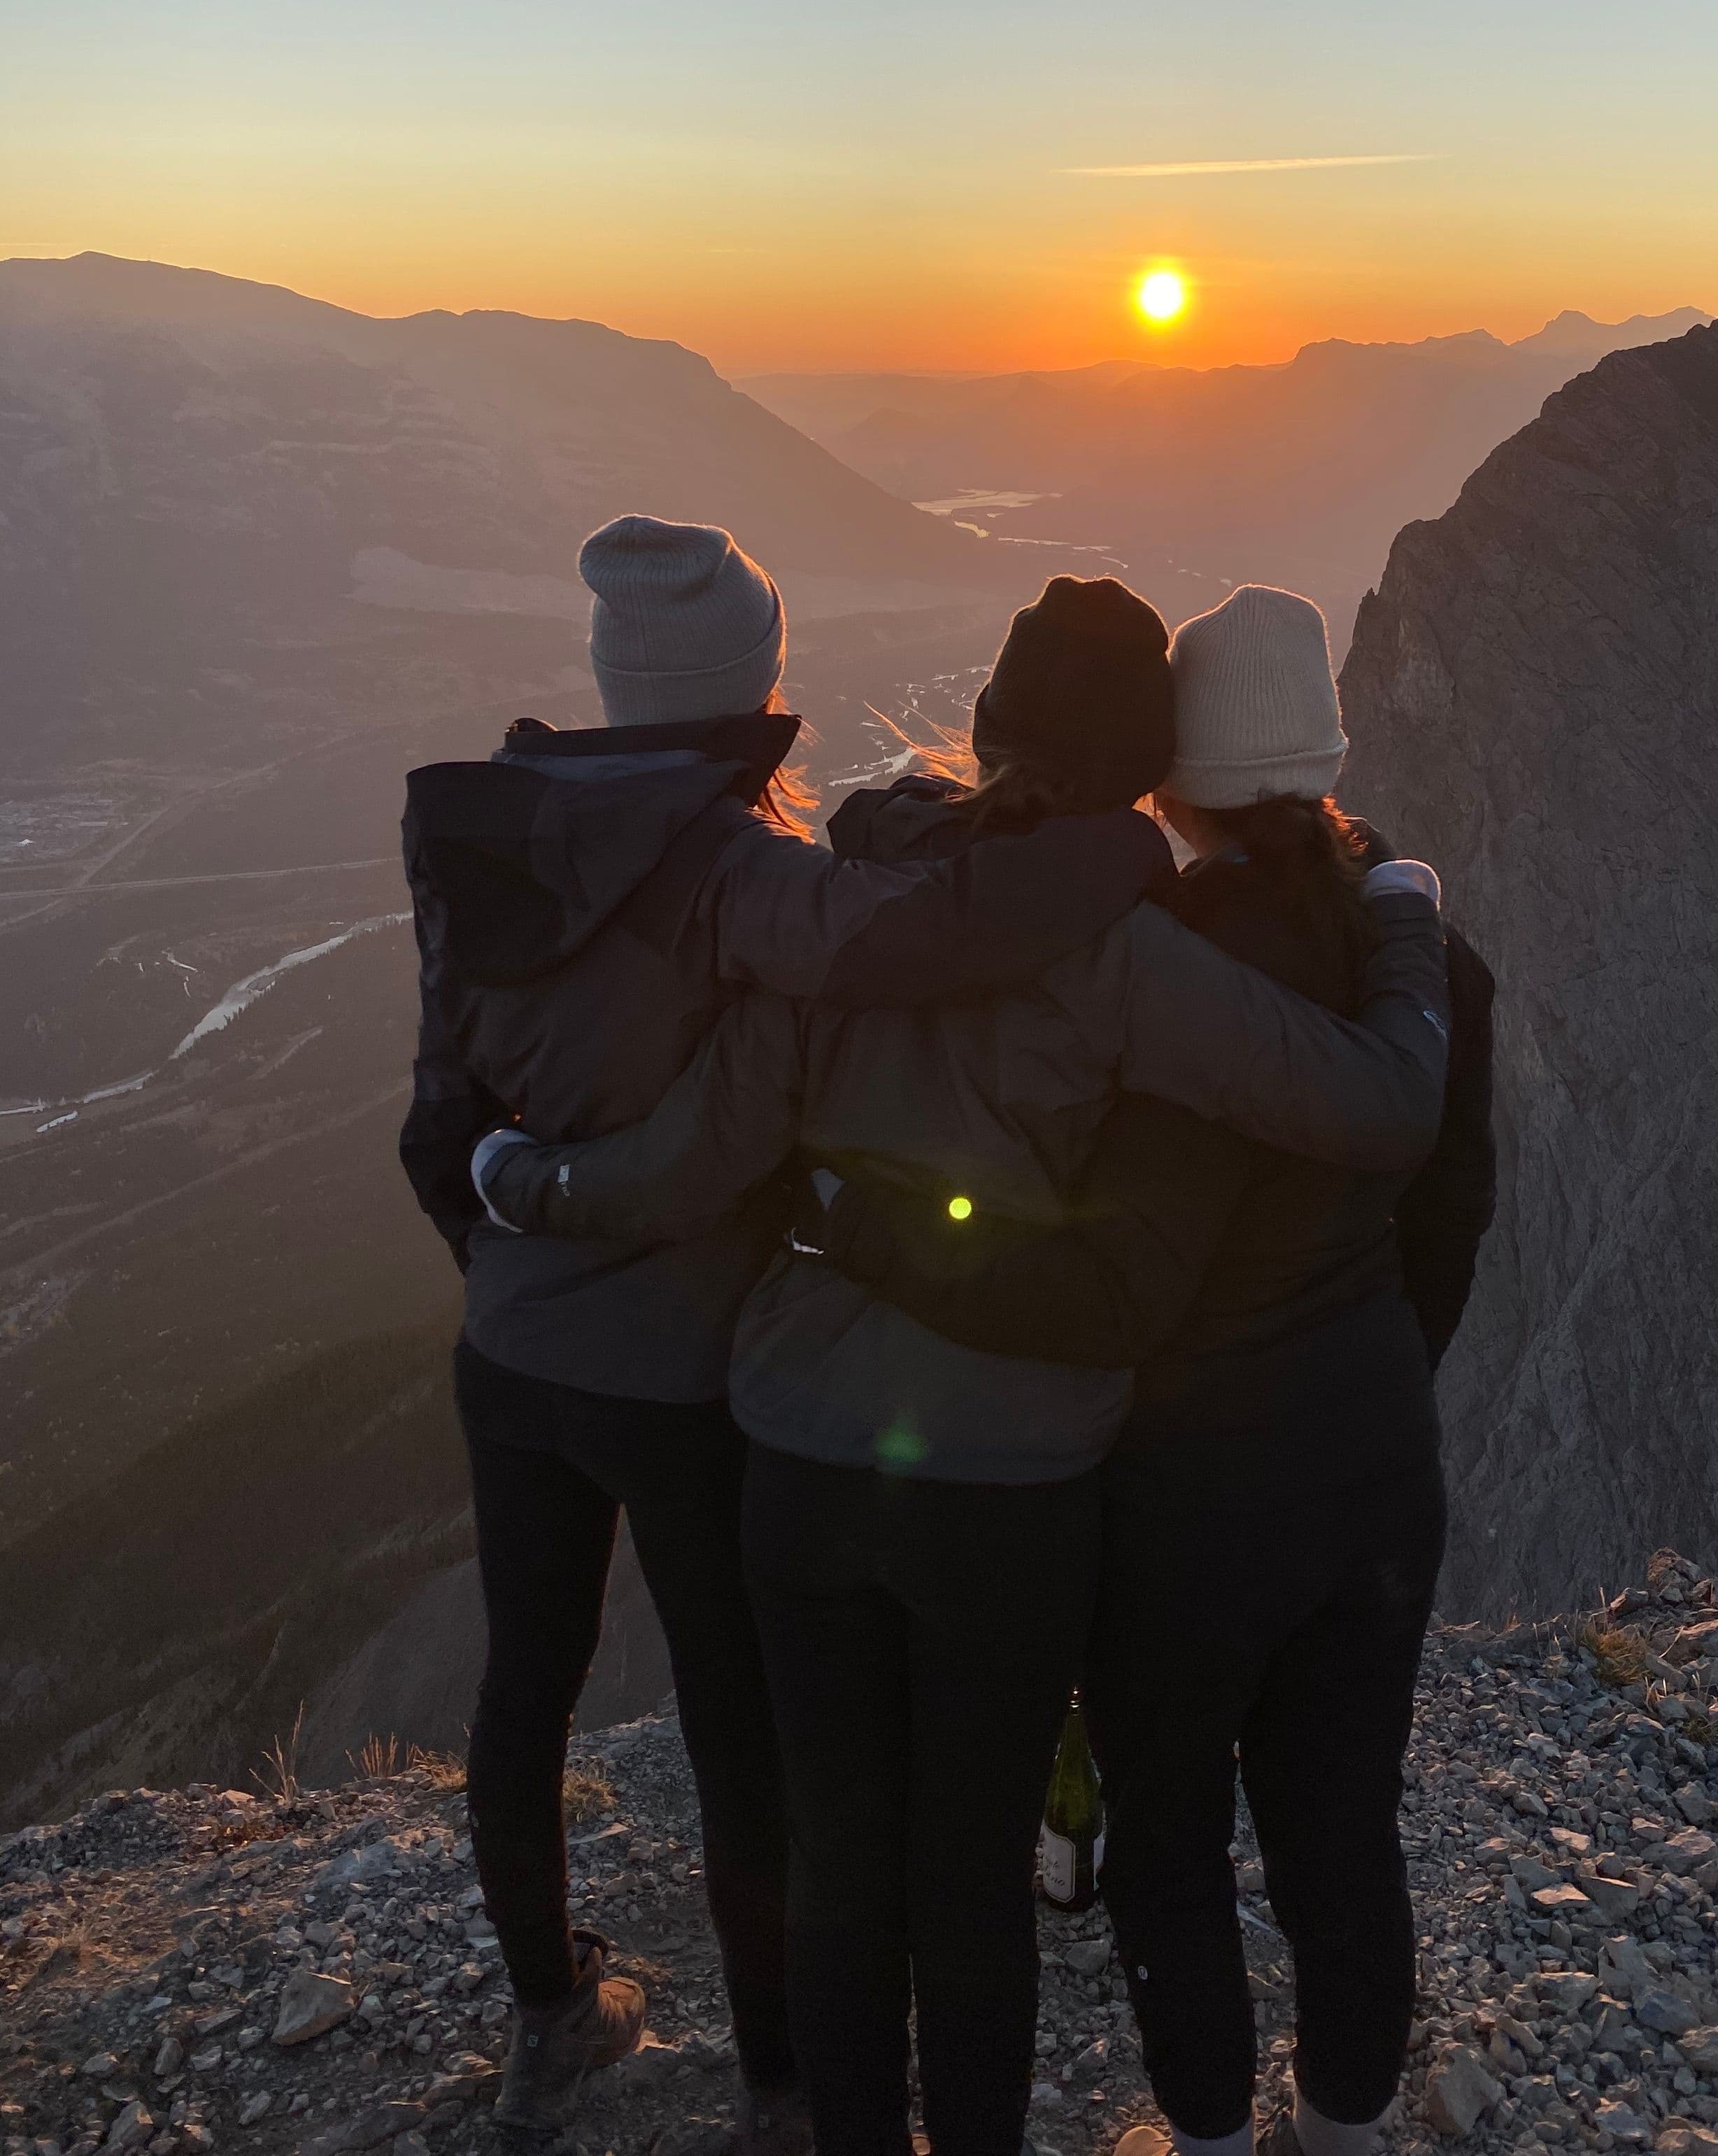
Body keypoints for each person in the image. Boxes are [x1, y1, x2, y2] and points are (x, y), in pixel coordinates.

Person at [473, 573, 1452, 2156]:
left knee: (846, 1868)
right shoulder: (1133, 961)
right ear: (1150, 773)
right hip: (1008, 1492)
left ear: (988, 723)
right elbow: (1373, 1110)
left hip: (799, 1463)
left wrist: (522, 1182)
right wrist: (1402, 918)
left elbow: (697, 1159)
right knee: (972, 1884)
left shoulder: (839, 909)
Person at [399, 520, 1183, 2152]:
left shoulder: (489, 827)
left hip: (512, 1343)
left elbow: (442, 1111)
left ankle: (552, 2018)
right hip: (684, 1369)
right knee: (741, 1742)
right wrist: (1122, 847)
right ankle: (775, 2082)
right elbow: (920, 948)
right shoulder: (736, 870)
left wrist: (504, 1207)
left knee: (522, 1688)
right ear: (747, 678)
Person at [788, 585, 1498, 2156]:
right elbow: (1449, 1212)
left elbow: (1120, 1274)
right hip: (1376, 1464)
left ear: (1174, 781)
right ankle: (1351, 2128)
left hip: (1189, 1497)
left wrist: (879, 1235)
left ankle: (1218, 2140)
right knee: (1343, 1827)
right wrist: (1381, 1379)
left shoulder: (1159, 966)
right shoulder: (1428, 962)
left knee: (1172, 1839)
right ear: (1319, 758)